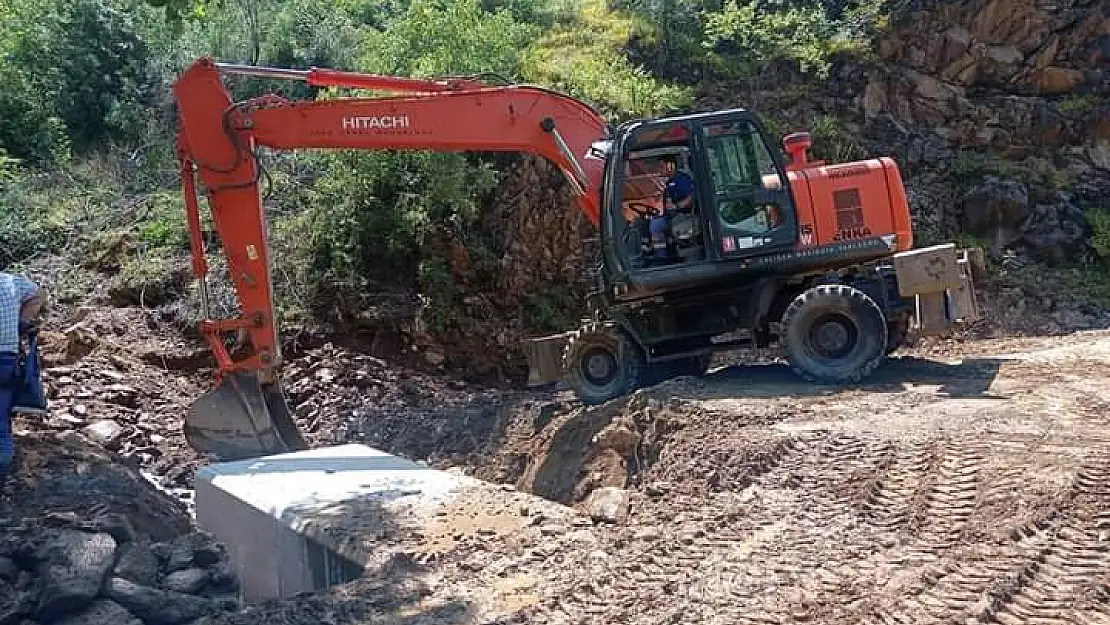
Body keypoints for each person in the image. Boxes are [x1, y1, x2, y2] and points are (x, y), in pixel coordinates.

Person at [0, 270, 45, 476]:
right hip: (6, 361)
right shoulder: (11, 282)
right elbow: (39, 294)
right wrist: (22, 322)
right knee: (1, 426)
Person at [649, 154, 696, 260]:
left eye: (661, 166)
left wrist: (677, 206)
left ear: (670, 166)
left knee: (656, 225)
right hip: (673, 216)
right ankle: (649, 251)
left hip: (685, 216)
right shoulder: (669, 182)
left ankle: (661, 257)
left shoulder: (682, 179)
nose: (659, 170)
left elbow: (692, 196)